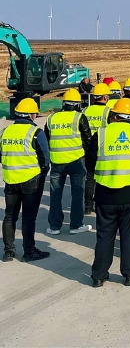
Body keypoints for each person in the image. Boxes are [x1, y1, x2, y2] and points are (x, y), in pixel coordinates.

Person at [86, 98, 130, 287]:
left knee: (104, 235)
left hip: (105, 194)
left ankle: (99, 275)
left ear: (114, 116)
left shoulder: (101, 134)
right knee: (129, 235)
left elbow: (90, 163)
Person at [1, 98, 51, 263]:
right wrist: (43, 173)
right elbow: (45, 158)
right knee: (29, 217)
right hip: (31, 181)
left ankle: (8, 252)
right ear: (31, 115)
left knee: (10, 216)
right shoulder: (35, 132)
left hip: (10, 180)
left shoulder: (5, 131)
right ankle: (29, 251)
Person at [44, 88, 93, 236]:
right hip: (77, 162)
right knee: (77, 194)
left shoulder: (51, 118)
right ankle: (76, 225)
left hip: (57, 162)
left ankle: (54, 226)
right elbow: (88, 139)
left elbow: (47, 140)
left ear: (64, 103)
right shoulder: (79, 117)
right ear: (78, 104)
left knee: (55, 194)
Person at [83, 83, 112, 214]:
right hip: (103, 148)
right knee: (103, 178)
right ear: (105, 97)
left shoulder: (86, 110)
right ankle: (102, 204)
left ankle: (88, 207)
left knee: (90, 179)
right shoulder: (108, 111)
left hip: (88, 148)